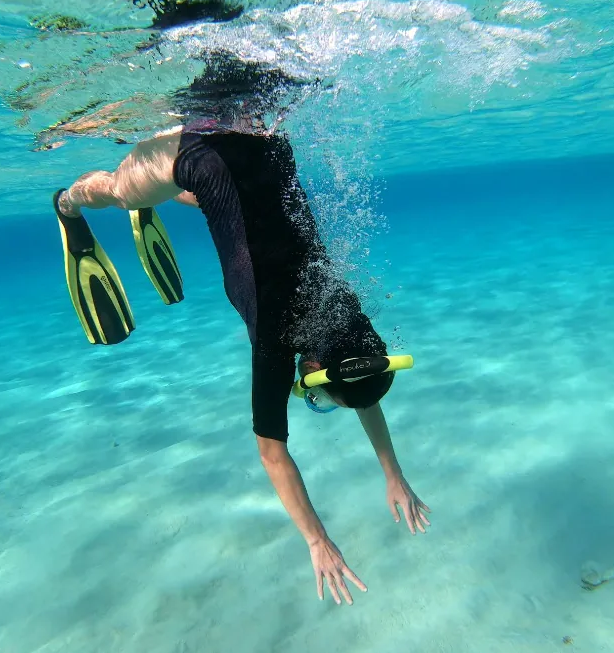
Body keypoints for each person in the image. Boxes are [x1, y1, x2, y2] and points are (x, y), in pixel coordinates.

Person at [50, 58, 430, 605]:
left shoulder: (344, 316)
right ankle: (66, 205)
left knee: (222, 179)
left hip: (262, 137)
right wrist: (317, 541)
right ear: (312, 373)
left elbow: (364, 382)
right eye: (321, 398)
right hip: (195, 152)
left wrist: (393, 474)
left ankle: (159, 189)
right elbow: (274, 455)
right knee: (120, 190)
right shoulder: (278, 343)